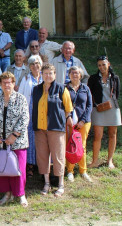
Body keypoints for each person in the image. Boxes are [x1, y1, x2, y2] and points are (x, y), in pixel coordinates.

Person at [0, 72, 29, 207]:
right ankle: (7, 194)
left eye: (9, 82)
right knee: (2, 169)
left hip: (17, 142)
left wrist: (14, 135)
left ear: (13, 83)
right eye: (4, 82)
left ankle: (21, 194)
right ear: (0, 84)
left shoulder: (21, 99)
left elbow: (24, 118)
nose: (7, 85)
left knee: (18, 168)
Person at [32, 64, 73, 197]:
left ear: (55, 75)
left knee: (58, 155)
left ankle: (60, 184)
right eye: (45, 73)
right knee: (43, 155)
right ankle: (46, 183)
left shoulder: (61, 89)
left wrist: (68, 120)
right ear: (41, 75)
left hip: (56, 128)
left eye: (50, 73)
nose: (48, 76)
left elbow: (68, 108)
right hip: (40, 128)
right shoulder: (36, 89)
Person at [87, 56, 122, 169]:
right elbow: (90, 93)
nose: (101, 67)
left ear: (109, 64)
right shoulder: (93, 78)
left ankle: (110, 160)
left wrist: (111, 103)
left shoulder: (115, 78)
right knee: (97, 136)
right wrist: (95, 105)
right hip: (98, 109)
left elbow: (117, 94)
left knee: (112, 134)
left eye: (103, 64)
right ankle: (94, 161)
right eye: (99, 65)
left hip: (112, 108)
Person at [65, 66, 93, 182]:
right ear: (69, 75)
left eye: (77, 73)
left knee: (82, 146)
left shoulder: (85, 88)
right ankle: (70, 171)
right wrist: (68, 118)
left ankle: (83, 170)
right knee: (70, 145)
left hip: (83, 122)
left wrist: (83, 120)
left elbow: (89, 105)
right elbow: (63, 104)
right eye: (72, 73)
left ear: (80, 75)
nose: (75, 75)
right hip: (69, 122)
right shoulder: (65, 88)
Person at [18, 55, 43, 177]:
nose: (35, 66)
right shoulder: (26, 78)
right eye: (32, 64)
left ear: (41, 64)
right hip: (30, 111)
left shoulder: (46, 76)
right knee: (30, 138)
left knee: (42, 138)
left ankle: (41, 163)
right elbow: (21, 95)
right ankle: (30, 165)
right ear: (29, 66)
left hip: (43, 112)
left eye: (37, 63)